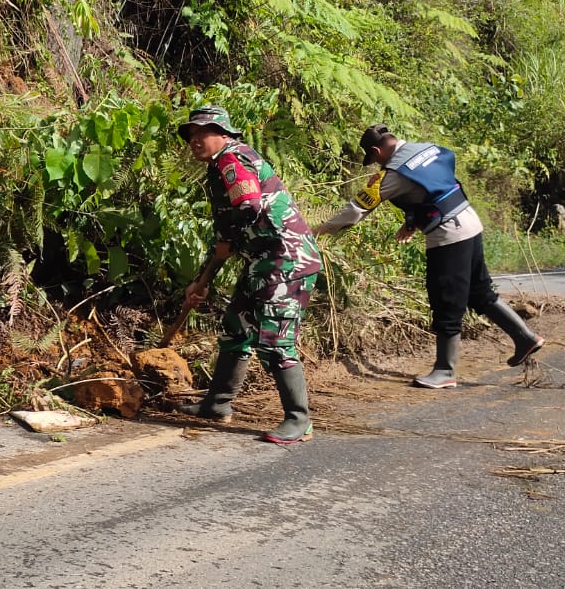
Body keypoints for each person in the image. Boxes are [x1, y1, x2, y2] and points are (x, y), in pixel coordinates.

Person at [314, 125, 544, 388]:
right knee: (480, 293)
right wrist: (412, 221)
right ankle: (525, 337)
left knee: (445, 297)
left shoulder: (393, 174)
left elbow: (357, 209)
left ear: (377, 151)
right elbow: (433, 186)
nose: (376, 164)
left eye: (374, 159)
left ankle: (445, 371)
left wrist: (321, 230)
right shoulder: (425, 149)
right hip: (469, 220)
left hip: (448, 234)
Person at [175, 106, 321, 444]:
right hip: (263, 259)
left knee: (274, 338)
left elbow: (248, 207)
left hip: (287, 259)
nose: (195, 140)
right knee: (236, 325)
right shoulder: (219, 166)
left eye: (203, 132)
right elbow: (226, 237)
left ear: (224, 134)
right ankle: (218, 404)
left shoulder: (232, 158)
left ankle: (300, 420)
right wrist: (201, 280)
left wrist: (226, 242)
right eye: (191, 135)